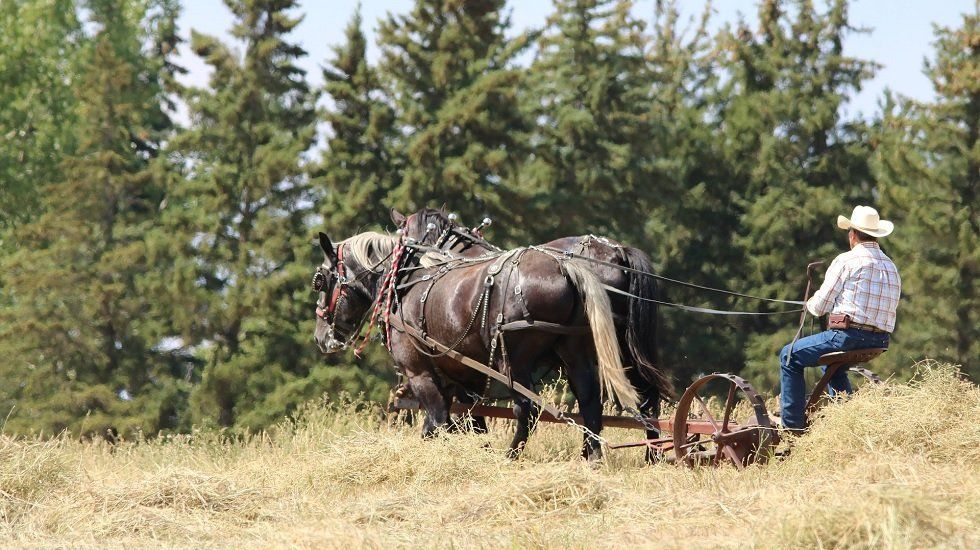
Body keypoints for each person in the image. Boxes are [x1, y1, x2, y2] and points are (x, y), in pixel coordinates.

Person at [778, 205, 901, 430]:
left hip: (848, 337)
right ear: (876, 236)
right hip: (880, 341)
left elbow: (820, 306)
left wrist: (810, 304)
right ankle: (845, 423)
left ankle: (792, 428)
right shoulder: (891, 266)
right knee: (834, 367)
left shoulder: (847, 261)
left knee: (788, 356)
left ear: (852, 235)